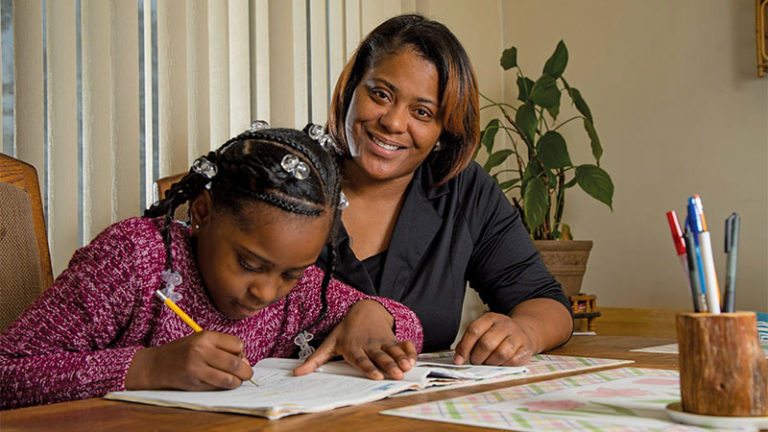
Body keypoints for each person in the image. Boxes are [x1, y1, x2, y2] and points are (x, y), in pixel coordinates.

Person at [0, 124, 423, 410]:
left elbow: (408, 326)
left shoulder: (303, 291)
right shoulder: (133, 259)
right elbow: (7, 373)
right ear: (201, 212)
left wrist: (374, 313)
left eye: (291, 273)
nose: (267, 291)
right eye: (249, 263)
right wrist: (144, 368)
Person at [294, 14, 572, 375]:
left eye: (422, 112)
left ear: (444, 130)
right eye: (380, 94)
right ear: (351, 90)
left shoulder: (465, 190)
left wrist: (524, 332)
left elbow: (546, 303)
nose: (393, 122)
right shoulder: (283, 173)